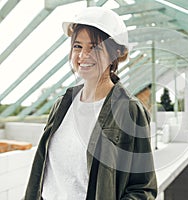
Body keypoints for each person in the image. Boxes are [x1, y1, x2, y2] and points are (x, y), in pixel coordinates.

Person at [24, 6, 157, 199]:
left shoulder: (128, 110)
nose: (83, 55)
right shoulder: (62, 106)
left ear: (115, 53)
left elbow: (143, 189)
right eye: (78, 46)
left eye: (94, 47)